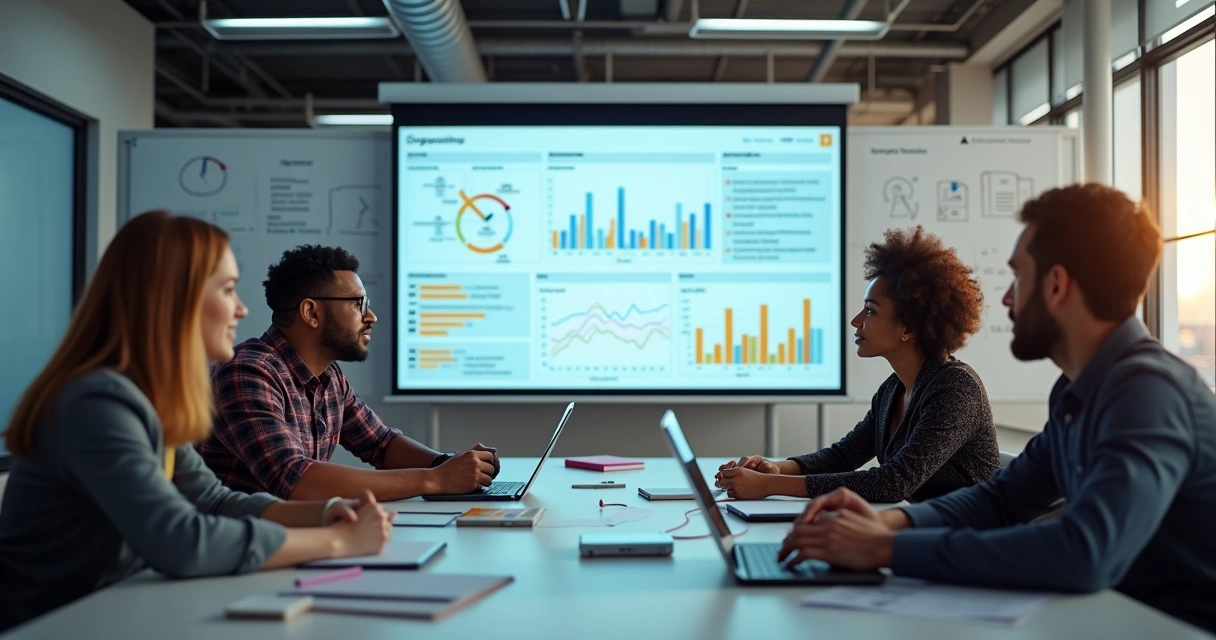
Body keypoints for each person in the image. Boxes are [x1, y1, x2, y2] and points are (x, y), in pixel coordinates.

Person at [779, 184, 1216, 633]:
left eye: (1017, 277)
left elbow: (1085, 552)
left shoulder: (1147, 392)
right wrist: (891, 521)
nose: (1007, 298)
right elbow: (1002, 498)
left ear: (1056, 284)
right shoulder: (1078, 391)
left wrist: (885, 548)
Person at [0, 212, 393, 631]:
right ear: (172, 300)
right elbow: (181, 541)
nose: (241, 309)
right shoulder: (97, 404)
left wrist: (330, 512)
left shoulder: (145, 398)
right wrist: (336, 541)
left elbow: (214, 501)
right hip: (57, 625)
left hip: (118, 612)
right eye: (227, 290)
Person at [717, 226, 999, 503]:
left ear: (909, 328)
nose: (856, 321)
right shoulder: (893, 389)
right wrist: (775, 468)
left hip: (968, 539)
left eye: (870, 311)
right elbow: (842, 457)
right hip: (930, 528)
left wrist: (770, 485)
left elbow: (892, 483)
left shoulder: (956, 389)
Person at [200, 245, 499, 501]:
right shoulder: (248, 373)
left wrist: (450, 464)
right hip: (241, 552)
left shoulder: (330, 377)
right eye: (359, 304)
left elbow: (380, 444)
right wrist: (437, 480)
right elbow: (296, 480)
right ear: (311, 313)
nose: (371, 316)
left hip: (295, 537)